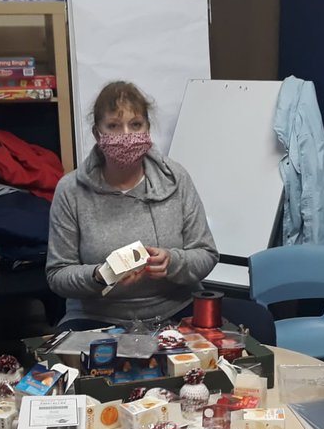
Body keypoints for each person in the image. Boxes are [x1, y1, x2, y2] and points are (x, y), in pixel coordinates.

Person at [46, 81, 218, 329]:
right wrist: (100, 275)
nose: (126, 135)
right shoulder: (71, 190)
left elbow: (206, 254)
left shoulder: (176, 178)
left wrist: (173, 262)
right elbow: (57, 275)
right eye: (114, 126)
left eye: (135, 125)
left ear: (147, 130)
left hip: (176, 311)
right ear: (98, 134)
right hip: (96, 317)